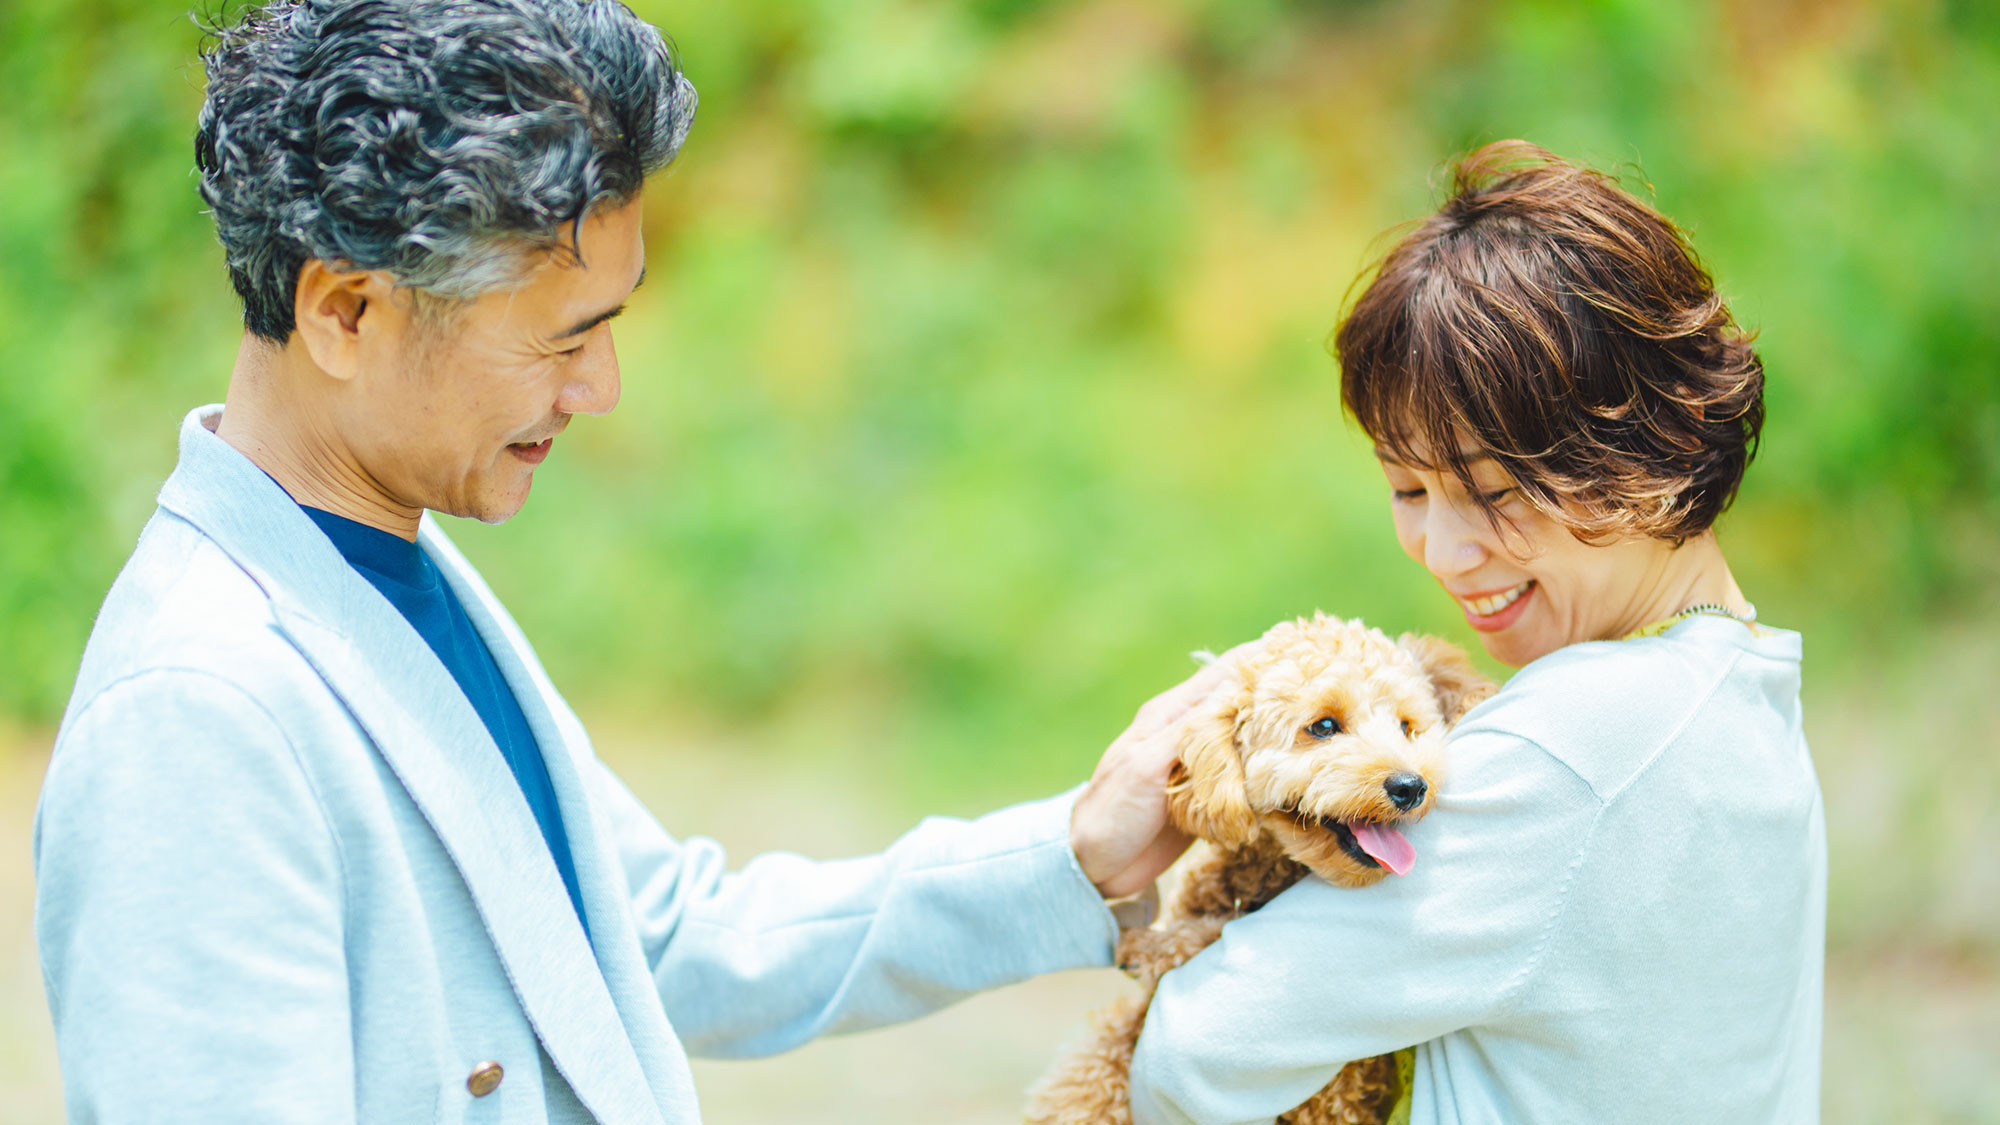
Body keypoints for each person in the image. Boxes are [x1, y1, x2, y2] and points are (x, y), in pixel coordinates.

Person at [31, 2, 1212, 1120]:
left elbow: (662, 932)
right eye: (564, 337)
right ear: (344, 312)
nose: (600, 389)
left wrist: (1072, 853)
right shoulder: (195, 716)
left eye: (611, 324)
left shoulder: (391, 571)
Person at [1125, 142, 1826, 1124]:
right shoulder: (1743, 693)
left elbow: (1198, 1053)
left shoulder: (1573, 745)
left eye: (1492, 490)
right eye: (1406, 488)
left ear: (1655, 443)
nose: (1443, 552)